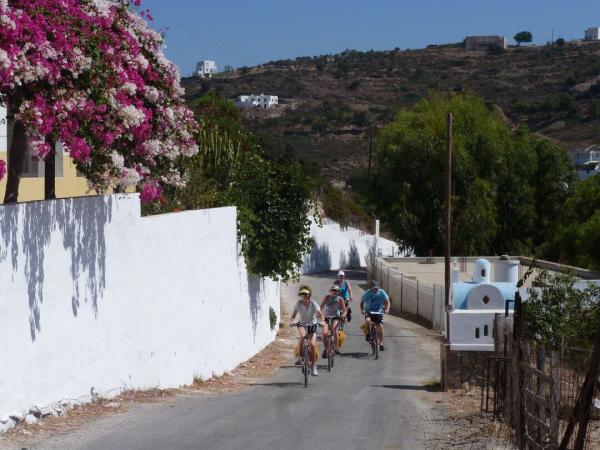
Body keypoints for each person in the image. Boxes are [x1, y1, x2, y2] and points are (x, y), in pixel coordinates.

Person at [290, 285, 324, 376]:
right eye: (302, 294)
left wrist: (322, 321)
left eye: (306, 294)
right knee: (302, 336)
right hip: (302, 323)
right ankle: (300, 357)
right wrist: (293, 321)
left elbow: (320, 313)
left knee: (312, 344)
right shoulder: (298, 303)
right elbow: (293, 315)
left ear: (309, 295)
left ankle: (313, 365)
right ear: (300, 295)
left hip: (312, 324)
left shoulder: (313, 303)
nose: (304, 295)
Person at [360, 280, 390, 351]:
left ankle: (381, 344)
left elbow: (387, 301)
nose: (376, 289)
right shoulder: (368, 293)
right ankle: (368, 333)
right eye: (374, 288)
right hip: (369, 312)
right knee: (367, 321)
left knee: (381, 327)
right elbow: (362, 302)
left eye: (377, 288)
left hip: (378, 312)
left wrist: (387, 309)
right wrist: (362, 310)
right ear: (371, 287)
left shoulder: (381, 292)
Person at [320, 284, 347, 357]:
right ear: (330, 291)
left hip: (336, 316)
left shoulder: (340, 299)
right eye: (333, 290)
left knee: (334, 329)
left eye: (337, 290)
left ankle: (336, 348)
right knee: (325, 333)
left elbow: (345, 310)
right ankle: (325, 350)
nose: (335, 292)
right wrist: (321, 317)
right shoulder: (327, 297)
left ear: (338, 292)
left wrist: (343, 316)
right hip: (326, 317)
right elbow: (320, 308)